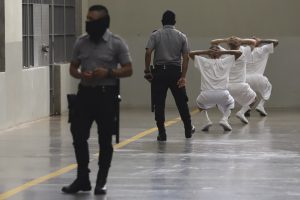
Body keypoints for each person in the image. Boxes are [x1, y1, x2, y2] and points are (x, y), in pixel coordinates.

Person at [61, 5, 133, 195]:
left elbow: (128, 69)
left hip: (106, 96)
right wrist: (80, 74)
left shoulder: (117, 43)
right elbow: (73, 68)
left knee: (104, 139)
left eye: (92, 20)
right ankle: (82, 178)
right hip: (85, 93)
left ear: (103, 22)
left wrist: (108, 72)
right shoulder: (81, 42)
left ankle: (101, 180)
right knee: (78, 136)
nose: (88, 23)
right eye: (87, 19)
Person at [144, 10, 195, 141]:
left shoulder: (155, 35)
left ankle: (162, 133)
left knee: (159, 104)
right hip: (175, 72)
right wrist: (183, 76)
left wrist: (147, 71)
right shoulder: (182, 36)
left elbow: (148, 52)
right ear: (174, 22)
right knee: (182, 102)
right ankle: (188, 130)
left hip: (159, 73)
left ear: (162, 22)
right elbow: (186, 57)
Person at [189, 46, 241, 131]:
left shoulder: (203, 61)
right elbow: (239, 53)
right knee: (231, 103)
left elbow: (190, 53)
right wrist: (222, 52)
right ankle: (224, 120)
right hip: (223, 94)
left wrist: (207, 51)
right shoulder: (226, 61)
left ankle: (206, 121)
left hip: (206, 95)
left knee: (200, 103)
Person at [211, 37, 257, 124]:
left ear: (228, 45)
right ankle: (241, 112)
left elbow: (213, 42)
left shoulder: (224, 53)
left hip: (226, 87)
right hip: (240, 86)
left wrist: (226, 40)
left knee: (219, 103)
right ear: (239, 44)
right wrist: (240, 40)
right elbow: (253, 42)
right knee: (254, 99)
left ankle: (225, 118)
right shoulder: (244, 53)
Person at [245, 37, 279, 116]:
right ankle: (260, 106)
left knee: (250, 95)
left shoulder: (244, 51)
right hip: (258, 78)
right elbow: (276, 41)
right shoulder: (263, 49)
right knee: (268, 88)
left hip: (245, 79)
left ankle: (246, 108)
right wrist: (262, 41)